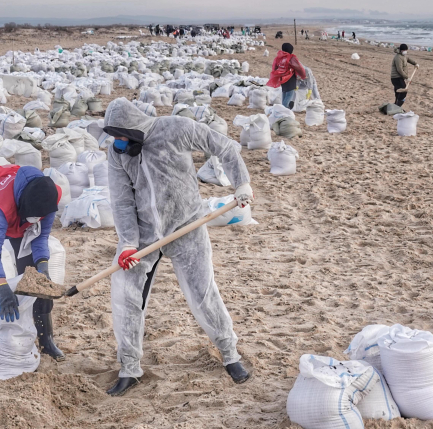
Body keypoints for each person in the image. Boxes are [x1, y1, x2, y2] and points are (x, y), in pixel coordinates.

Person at [102, 98, 254, 396]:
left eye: (121, 136)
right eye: (114, 137)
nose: (117, 143)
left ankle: (230, 354)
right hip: (144, 235)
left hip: (188, 228)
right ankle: (129, 367)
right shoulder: (118, 154)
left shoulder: (177, 128)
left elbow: (224, 147)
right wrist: (128, 244)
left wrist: (242, 184)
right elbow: (121, 200)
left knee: (203, 292)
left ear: (134, 128)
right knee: (125, 293)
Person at [0, 165, 63, 359]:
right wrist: (2, 287)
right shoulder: (3, 204)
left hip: (22, 224)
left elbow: (41, 237)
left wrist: (43, 268)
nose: (39, 218)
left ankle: (46, 339)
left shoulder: (49, 198)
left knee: (35, 278)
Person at [268, 43, 307, 108]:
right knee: (290, 93)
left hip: (281, 78)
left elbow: (274, 67)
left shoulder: (278, 57)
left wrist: (278, 75)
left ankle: (285, 107)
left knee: (284, 92)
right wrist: (303, 75)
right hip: (290, 78)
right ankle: (283, 108)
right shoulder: (291, 58)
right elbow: (298, 67)